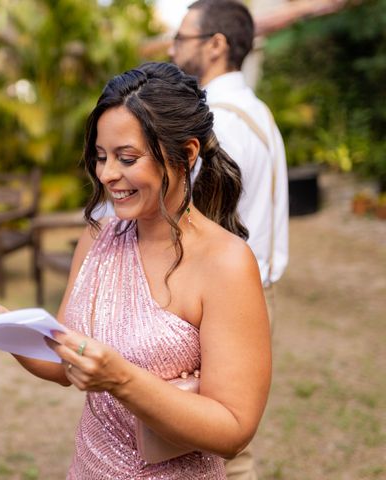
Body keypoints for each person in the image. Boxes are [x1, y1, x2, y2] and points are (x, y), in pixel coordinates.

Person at [0, 62, 271, 479]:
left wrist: (121, 380)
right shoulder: (100, 238)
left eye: (126, 158)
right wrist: (0, 324)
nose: (108, 174)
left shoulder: (226, 262)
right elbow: (63, 363)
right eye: (100, 157)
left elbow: (234, 428)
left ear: (186, 154)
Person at [169, 1, 289, 478]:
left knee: (219, 444)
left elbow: (191, 219)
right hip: (254, 292)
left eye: (182, 39)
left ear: (216, 45)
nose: (174, 50)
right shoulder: (256, 110)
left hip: (224, 302)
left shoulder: (218, 123)